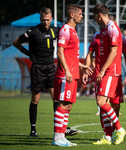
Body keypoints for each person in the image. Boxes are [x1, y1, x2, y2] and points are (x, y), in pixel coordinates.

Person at [84, 4, 126, 145]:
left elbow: (114, 52)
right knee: (104, 106)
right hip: (103, 73)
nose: (94, 20)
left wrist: (102, 70)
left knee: (102, 102)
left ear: (99, 15)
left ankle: (119, 129)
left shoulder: (112, 29)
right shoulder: (103, 30)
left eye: (94, 17)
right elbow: (92, 53)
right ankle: (108, 137)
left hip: (110, 72)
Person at [13, 7, 59, 137]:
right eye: (43, 20)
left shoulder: (56, 30)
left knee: (56, 98)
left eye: (48, 20)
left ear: (52, 19)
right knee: (35, 99)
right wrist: (27, 53)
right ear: (40, 19)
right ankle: (33, 130)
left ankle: (59, 128)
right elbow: (15, 42)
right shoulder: (32, 31)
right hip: (37, 68)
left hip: (51, 67)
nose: (45, 22)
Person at [52, 4, 92, 146]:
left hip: (73, 73)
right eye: (80, 14)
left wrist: (81, 66)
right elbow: (60, 52)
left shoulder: (73, 31)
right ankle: (57, 138)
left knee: (68, 106)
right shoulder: (65, 30)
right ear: (71, 15)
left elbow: (70, 55)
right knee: (62, 104)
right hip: (65, 74)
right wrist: (67, 70)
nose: (82, 16)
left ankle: (62, 136)